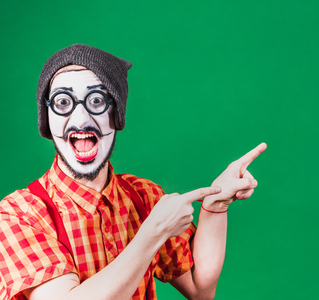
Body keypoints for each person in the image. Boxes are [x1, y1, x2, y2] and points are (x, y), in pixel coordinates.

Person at [0, 44, 267, 300]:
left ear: (117, 115)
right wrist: (152, 233)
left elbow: (200, 289)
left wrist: (215, 205)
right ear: (47, 120)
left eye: (96, 100)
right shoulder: (20, 215)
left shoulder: (144, 197)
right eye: (62, 102)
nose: (80, 120)